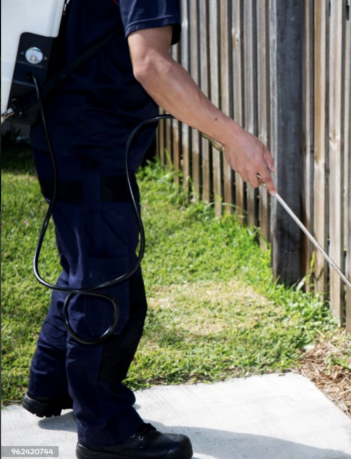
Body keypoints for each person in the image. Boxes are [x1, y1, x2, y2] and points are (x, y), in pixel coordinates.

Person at [22, 1, 276, 458]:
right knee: (106, 286)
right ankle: (107, 433)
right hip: (90, 142)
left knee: (85, 264)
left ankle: (51, 383)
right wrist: (234, 138)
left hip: (64, 128)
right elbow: (152, 66)